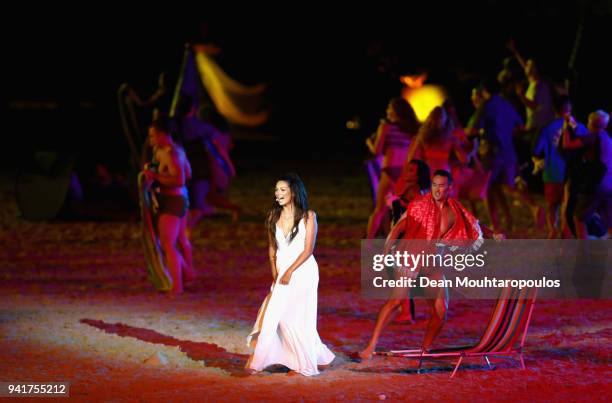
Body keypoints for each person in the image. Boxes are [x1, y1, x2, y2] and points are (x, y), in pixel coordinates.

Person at [358, 170, 503, 360]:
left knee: (441, 310)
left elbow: (474, 224)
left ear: (449, 188)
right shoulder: (419, 206)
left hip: (432, 264)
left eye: (441, 185)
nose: (437, 189)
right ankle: (370, 346)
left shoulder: (455, 210)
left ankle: (424, 349)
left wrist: (493, 234)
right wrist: (385, 256)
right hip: (411, 258)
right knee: (396, 301)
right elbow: (396, 230)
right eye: (434, 185)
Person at [246, 173, 335, 376]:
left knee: (294, 317)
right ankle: (317, 355)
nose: (278, 193)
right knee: (275, 314)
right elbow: (272, 247)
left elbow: (308, 249)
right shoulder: (272, 216)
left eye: (283, 190)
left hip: (302, 270)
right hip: (281, 270)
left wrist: (289, 271)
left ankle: (303, 364)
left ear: (294, 192)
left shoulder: (308, 216)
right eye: (276, 190)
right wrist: (274, 270)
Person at [143, 117, 197, 294]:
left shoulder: (172, 153)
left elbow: (180, 178)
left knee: (168, 244)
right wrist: (155, 170)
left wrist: (156, 177)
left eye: (152, 136)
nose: (150, 139)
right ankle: (187, 274)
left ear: (161, 134)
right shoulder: (167, 150)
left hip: (173, 202)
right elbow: (188, 171)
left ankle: (177, 287)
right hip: (178, 200)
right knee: (178, 240)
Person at [366, 97, 419, 238]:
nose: (387, 111)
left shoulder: (386, 127)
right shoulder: (412, 130)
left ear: (396, 111)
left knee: (379, 210)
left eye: (389, 108)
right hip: (404, 173)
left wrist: (369, 142)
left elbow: (377, 151)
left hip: (389, 171)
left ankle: (370, 242)